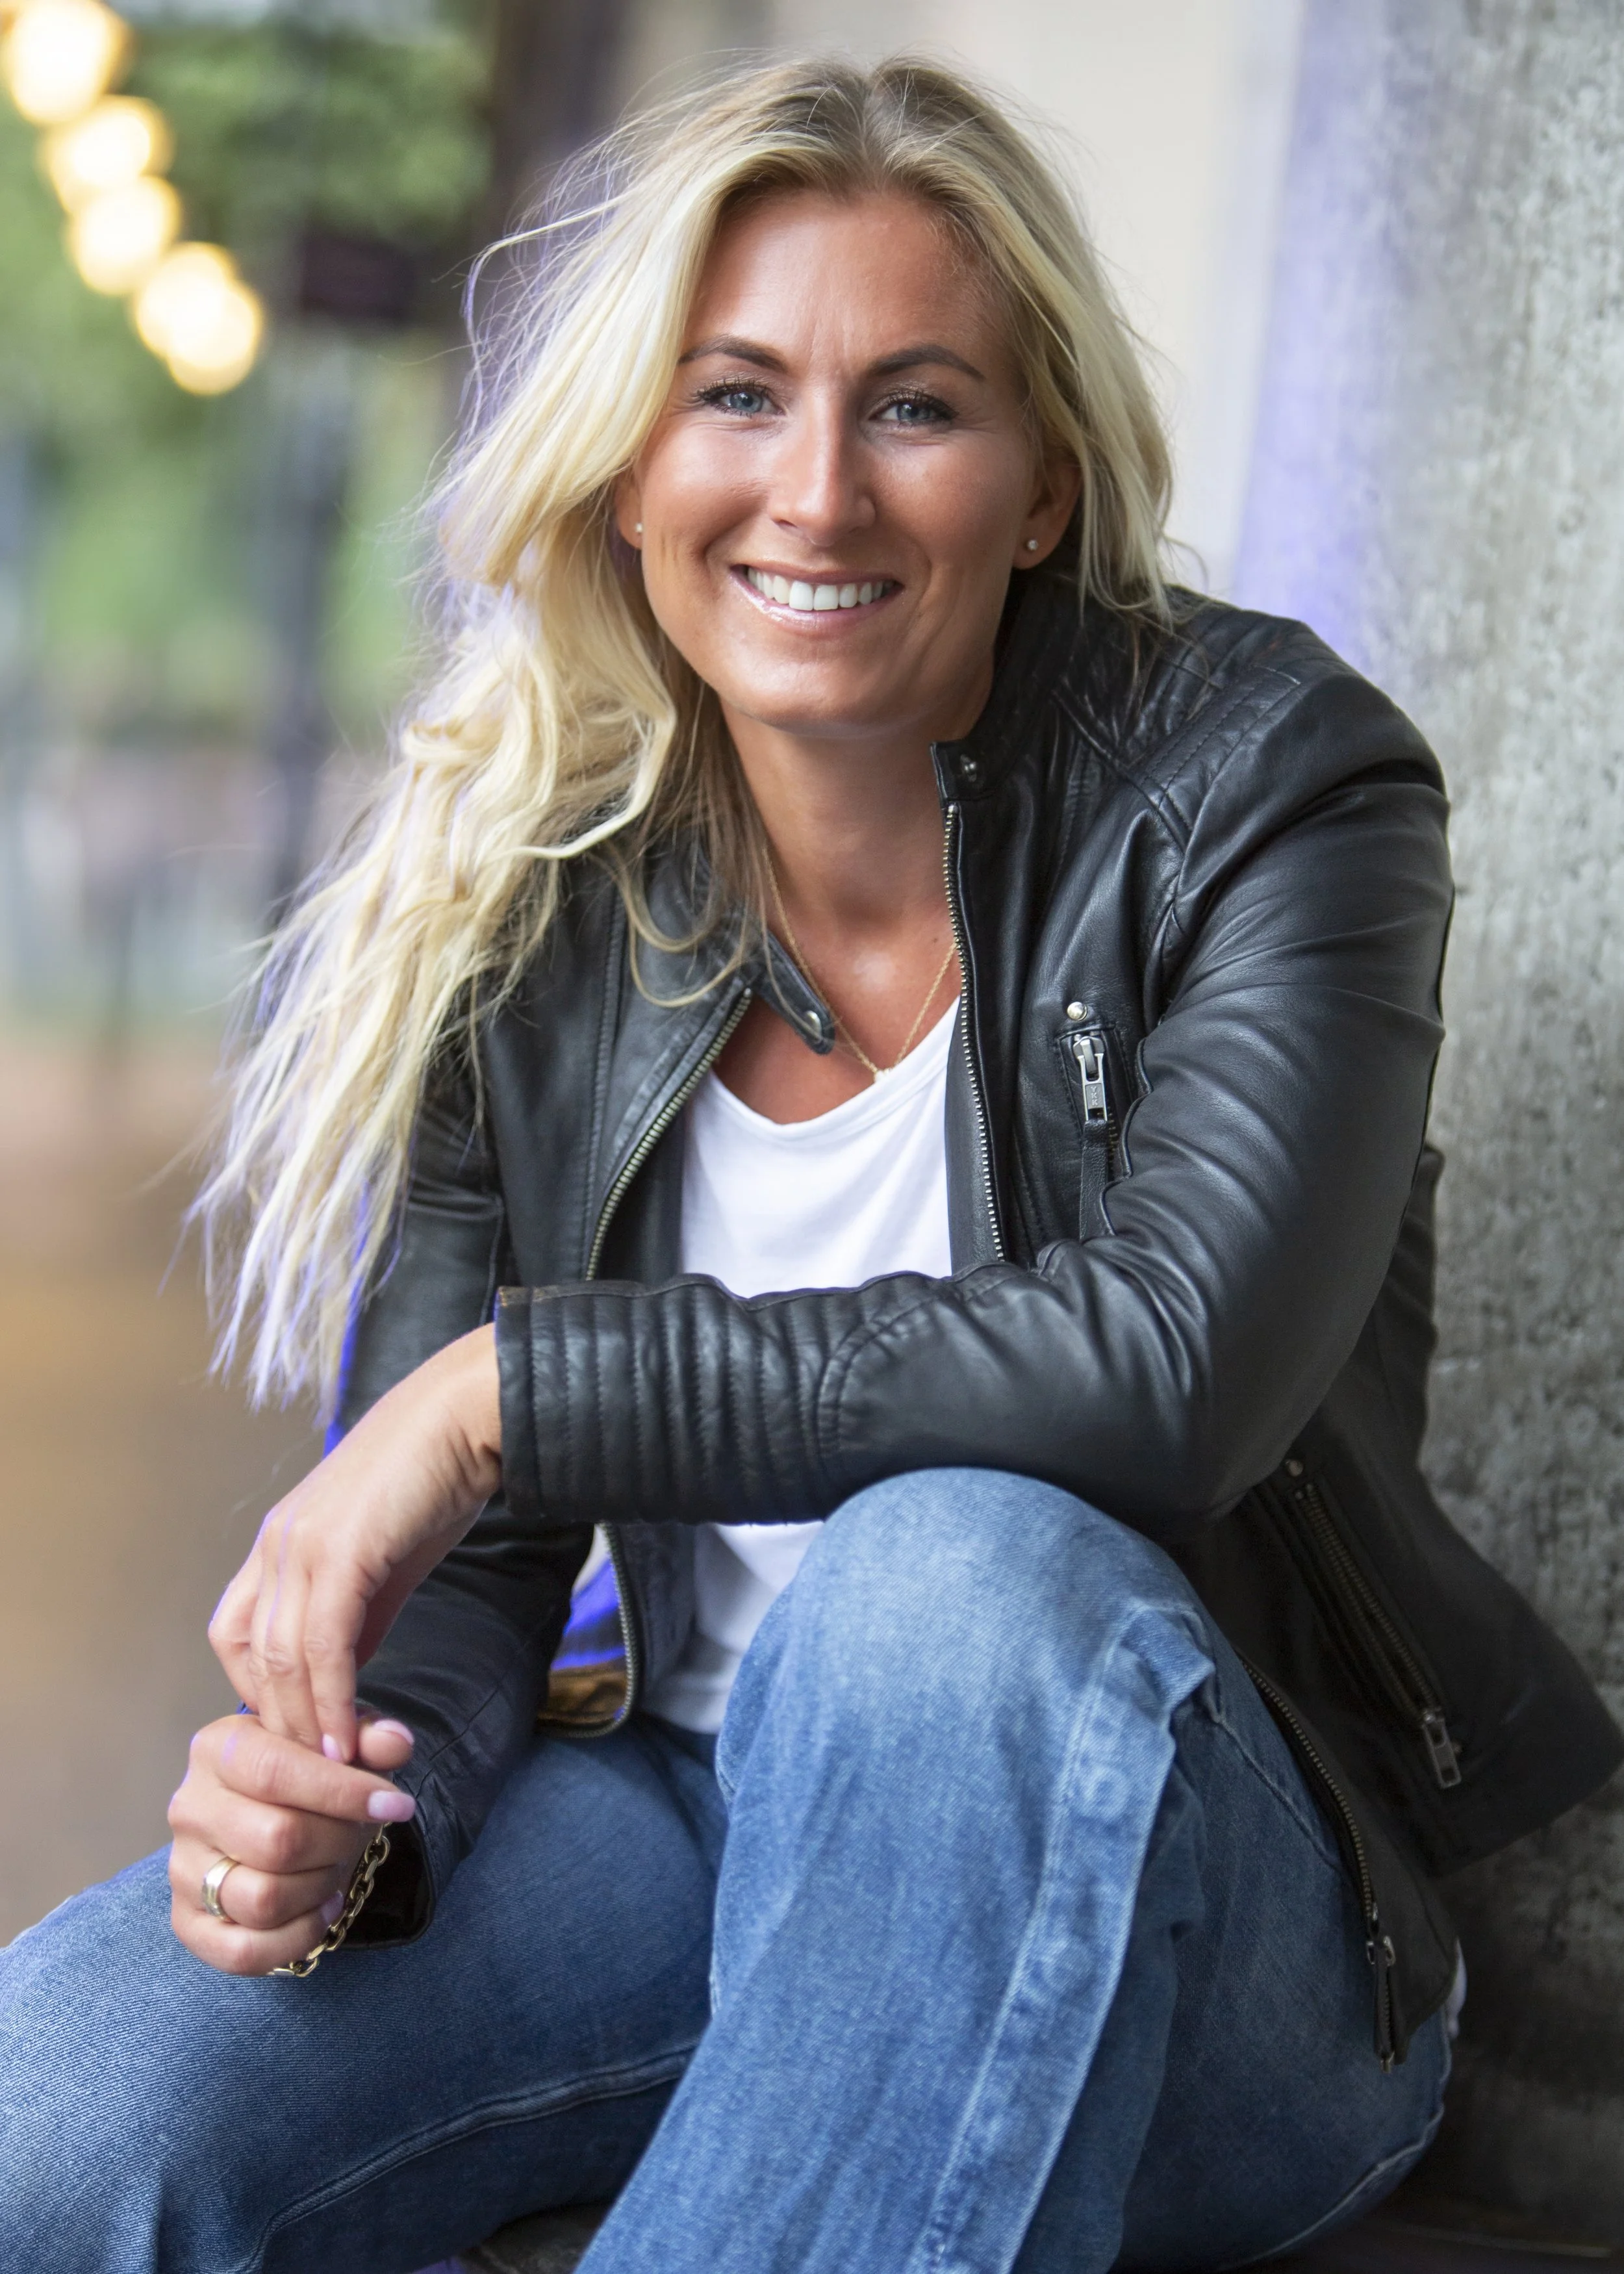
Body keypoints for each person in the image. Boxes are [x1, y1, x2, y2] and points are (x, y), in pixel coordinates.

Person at [1, 53, 1616, 2274]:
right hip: (687, 1824)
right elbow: (462, 1586)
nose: (817, 493)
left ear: (1042, 483)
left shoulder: (1274, 786)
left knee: (938, 1581)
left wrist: (507, 1392)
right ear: (636, 457)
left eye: (918, 407)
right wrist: (344, 1810)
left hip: (1195, 1891)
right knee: (76, 2107)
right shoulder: (546, 887)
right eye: (738, 393)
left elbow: (1169, 1371)